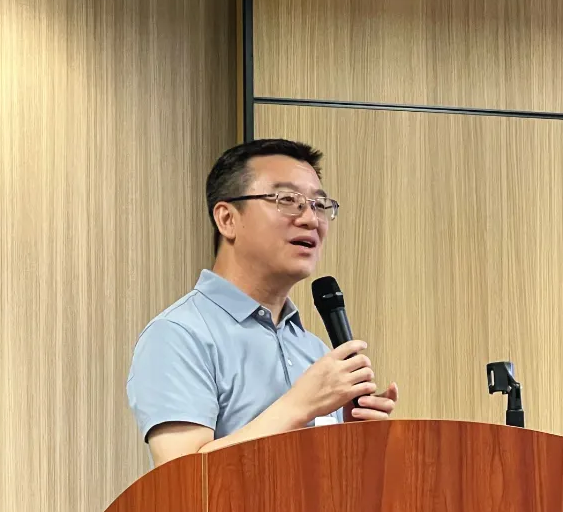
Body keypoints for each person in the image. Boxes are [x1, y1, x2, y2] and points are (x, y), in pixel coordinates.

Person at [127, 138, 399, 467]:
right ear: (227, 219)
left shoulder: (314, 350)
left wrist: (353, 441)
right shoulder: (178, 335)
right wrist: (299, 406)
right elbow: (181, 477)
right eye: (287, 200)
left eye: (318, 205)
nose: (311, 220)